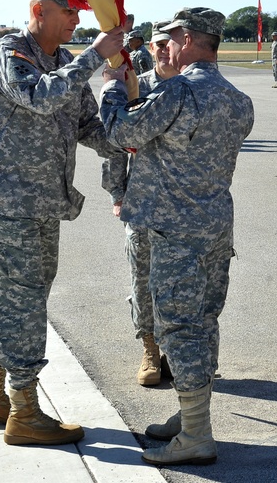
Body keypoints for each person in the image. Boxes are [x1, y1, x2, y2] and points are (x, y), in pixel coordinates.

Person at [0, 0, 125, 446]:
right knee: (24, 304)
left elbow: (90, 126)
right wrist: (96, 55)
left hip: (39, 208)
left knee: (18, 305)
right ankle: (25, 411)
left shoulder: (66, 63)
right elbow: (39, 96)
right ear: (40, 12)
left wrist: (135, 135)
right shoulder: (8, 54)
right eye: (70, 12)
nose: (77, 20)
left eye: (79, 13)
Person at [100, 6, 254, 465]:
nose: (164, 45)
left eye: (169, 38)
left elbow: (122, 132)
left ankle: (197, 435)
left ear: (188, 38)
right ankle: (191, 418)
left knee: (180, 329)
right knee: (203, 323)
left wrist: (112, 89)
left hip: (174, 230)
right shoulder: (237, 98)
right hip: (213, 226)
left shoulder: (178, 92)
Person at [102, 24, 180, 387]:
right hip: (143, 204)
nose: (165, 50)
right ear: (149, 47)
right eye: (159, 44)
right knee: (143, 278)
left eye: (171, 44)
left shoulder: (192, 89)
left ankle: (180, 352)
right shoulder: (137, 88)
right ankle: (149, 349)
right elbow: (114, 148)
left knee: (184, 283)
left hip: (184, 208)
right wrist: (118, 195)